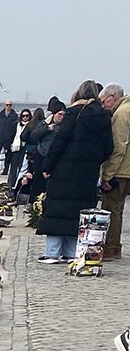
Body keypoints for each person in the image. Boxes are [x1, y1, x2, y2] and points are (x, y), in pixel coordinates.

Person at [38, 80, 114, 263]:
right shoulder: (103, 117)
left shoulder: (73, 114)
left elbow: (60, 142)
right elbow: (109, 147)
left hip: (65, 170)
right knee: (79, 213)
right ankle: (73, 253)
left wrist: (47, 166)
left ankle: (53, 252)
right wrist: (93, 161)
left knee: (58, 209)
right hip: (88, 173)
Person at [98, 84, 130, 259]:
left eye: (104, 101)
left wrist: (107, 175)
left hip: (120, 170)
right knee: (119, 208)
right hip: (127, 170)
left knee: (111, 209)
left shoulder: (121, 114)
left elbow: (119, 147)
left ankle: (111, 247)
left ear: (112, 97)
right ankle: (115, 246)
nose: (103, 105)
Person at [6, 108, 33, 191]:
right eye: (23, 116)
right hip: (16, 148)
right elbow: (11, 136)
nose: (25, 117)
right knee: (13, 166)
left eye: (27, 116)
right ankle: (11, 184)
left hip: (24, 148)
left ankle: (18, 183)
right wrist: (7, 146)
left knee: (22, 167)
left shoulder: (31, 126)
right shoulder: (16, 125)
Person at [0, 100, 18, 174]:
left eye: (10, 105)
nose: (8, 106)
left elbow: (16, 128)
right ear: (5, 105)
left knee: (8, 156)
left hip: (9, 140)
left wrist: (12, 138)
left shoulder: (14, 116)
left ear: (11, 106)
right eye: (7, 105)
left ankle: (5, 170)